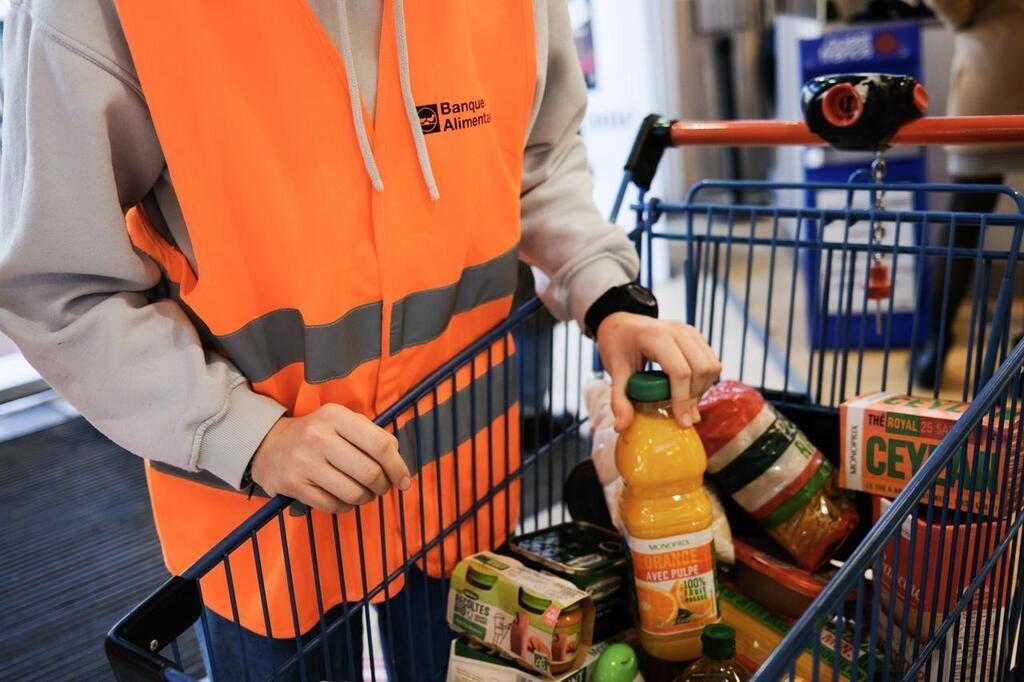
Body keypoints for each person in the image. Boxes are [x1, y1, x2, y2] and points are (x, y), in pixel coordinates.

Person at [0, 1, 721, 680]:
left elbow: (534, 157)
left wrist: (609, 298)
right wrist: (245, 436)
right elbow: (59, 287)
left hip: (461, 484)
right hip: (262, 518)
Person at [915, 0, 1024, 389]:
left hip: (992, 75)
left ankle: (934, 347)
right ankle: (1021, 355)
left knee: (963, 222)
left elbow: (953, 6)